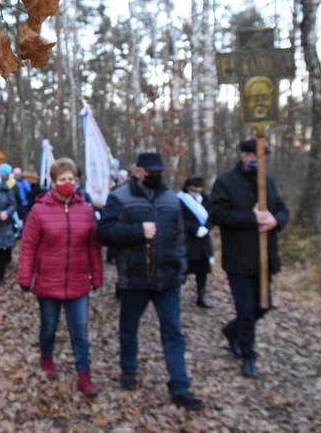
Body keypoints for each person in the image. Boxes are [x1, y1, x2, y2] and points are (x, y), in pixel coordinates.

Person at [97, 152, 205, 410]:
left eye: (159, 173)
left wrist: (180, 271)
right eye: (151, 173)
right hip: (134, 279)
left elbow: (180, 238)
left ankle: (180, 387)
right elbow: (104, 233)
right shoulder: (119, 198)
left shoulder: (171, 200)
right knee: (128, 329)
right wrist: (137, 231)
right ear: (138, 172)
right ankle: (129, 370)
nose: (156, 177)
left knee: (173, 333)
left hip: (167, 281)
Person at [17, 157, 104, 396]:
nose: (68, 183)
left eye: (71, 179)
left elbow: (93, 248)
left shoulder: (86, 209)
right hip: (48, 281)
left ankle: (84, 375)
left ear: (76, 180)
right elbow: (28, 245)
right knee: (49, 327)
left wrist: (97, 277)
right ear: (54, 181)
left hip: (78, 282)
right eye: (62, 179)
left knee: (80, 331)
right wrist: (25, 277)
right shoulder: (39, 209)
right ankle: (47, 358)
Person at [208, 139, 289, 379]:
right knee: (245, 310)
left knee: (262, 306)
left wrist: (276, 220)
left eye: (264, 158)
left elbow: (283, 210)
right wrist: (251, 218)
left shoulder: (269, 183)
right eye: (257, 156)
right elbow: (217, 214)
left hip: (266, 259)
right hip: (239, 258)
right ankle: (248, 355)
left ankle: (232, 331)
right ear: (245, 156)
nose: (260, 162)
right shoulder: (225, 182)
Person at [177, 176, 215, 309]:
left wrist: (207, 228)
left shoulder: (207, 199)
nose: (197, 190)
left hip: (203, 240)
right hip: (188, 239)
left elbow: (213, 215)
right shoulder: (181, 199)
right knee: (183, 269)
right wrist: (195, 229)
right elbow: (179, 218)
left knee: (202, 271)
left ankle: (201, 295)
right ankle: (176, 294)